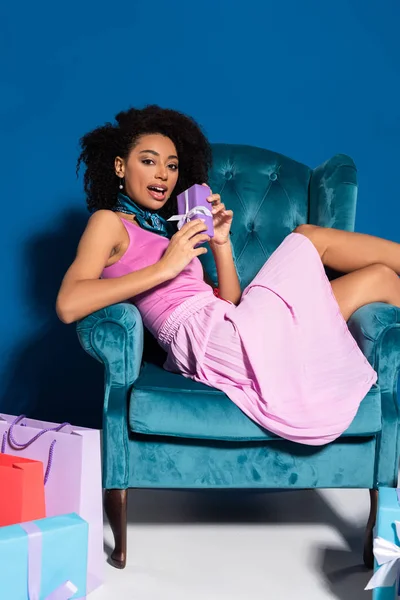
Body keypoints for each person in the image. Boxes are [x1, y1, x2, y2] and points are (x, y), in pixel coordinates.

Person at [57, 105, 400, 445]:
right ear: (120, 166)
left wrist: (221, 242)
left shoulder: (171, 233)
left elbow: (231, 303)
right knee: (310, 236)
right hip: (211, 343)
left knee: (382, 278)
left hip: (234, 327)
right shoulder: (108, 223)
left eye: (172, 166)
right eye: (149, 161)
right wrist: (164, 268)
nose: (162, 174)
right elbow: (68, 304)